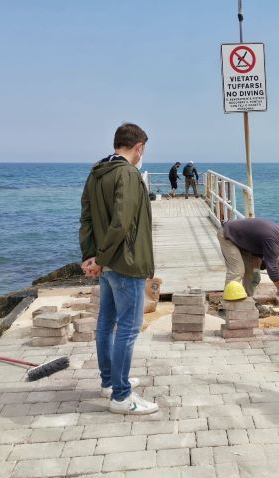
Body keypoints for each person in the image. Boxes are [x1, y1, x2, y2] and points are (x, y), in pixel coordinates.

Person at [79, 122, 158, 415]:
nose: (142, 155)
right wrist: (100, 259)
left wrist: (92, 256)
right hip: (126, 262)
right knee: (127, 328)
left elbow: (86, 218)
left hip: (108, 263)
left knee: (105, 324)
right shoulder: (128, 174)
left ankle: (111, 382)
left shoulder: (96, 172)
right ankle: (122, 397)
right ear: (138, 147)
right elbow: (122, 223)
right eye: (143, 150)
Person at [217, 218, 279, 298]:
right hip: (228, 235)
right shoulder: (272, 241)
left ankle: (248, 301)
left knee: (251, 275)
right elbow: (273, 272)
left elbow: (257, 252)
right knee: (237, 271)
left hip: (242, 241)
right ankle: (227, 303)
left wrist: (255, 271)